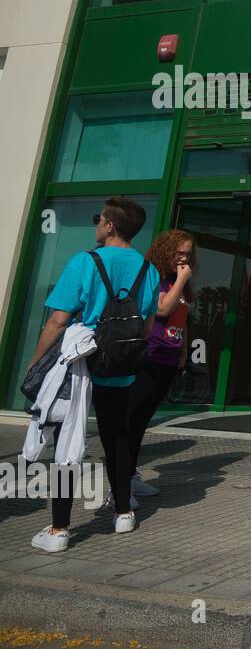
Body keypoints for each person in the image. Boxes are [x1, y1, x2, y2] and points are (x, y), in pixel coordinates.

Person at [28, 197, 160, 551]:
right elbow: (146, 325)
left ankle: (58, 530)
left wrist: (35, 361)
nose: (96, 224)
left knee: (67, 441)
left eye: (98, 219)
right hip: (121, 363)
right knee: (116, 435)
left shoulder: (85, 262)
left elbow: (58, 320)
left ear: (110, 226)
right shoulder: (150, 270)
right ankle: (123, 514)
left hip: (81, 364)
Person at [124, 230, 197, 499]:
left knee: (143, 420)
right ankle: (119, 486)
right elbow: (163, 309)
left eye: (188, 254)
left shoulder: (181, 284)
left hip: (168, 357)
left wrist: (182, 353)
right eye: (179, 252)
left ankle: (130, 476)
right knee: (130, 420)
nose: (184, 258)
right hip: (149, 356)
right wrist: (180, 280)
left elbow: (182, 319)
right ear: (166, 251)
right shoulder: (153, 277)